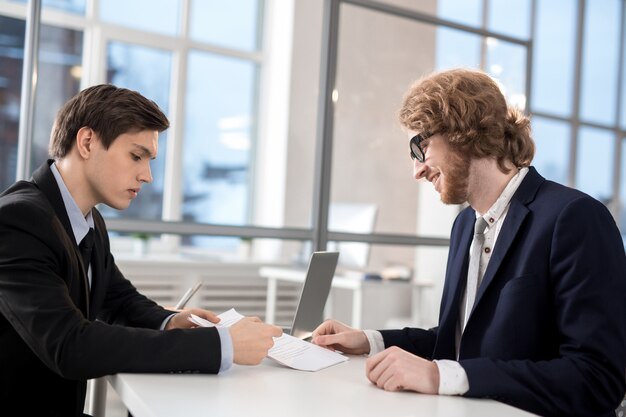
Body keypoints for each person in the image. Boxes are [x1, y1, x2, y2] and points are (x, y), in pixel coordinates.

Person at [312, 68, 626, 417]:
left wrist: (441, 376)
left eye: (421, 146)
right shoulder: (465, 225)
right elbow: (459, 341)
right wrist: (370, 340)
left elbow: (598, 378)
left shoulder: (574, 217)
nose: (417, 170)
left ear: (463, 129)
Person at [0, 84, 282, 416]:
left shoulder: (85, 218)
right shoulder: (19, 220)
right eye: (136, 156)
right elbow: (70, 345)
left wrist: (171, 321)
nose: (147, 176)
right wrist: (222, 345)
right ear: (87, 142)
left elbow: (116, 298)